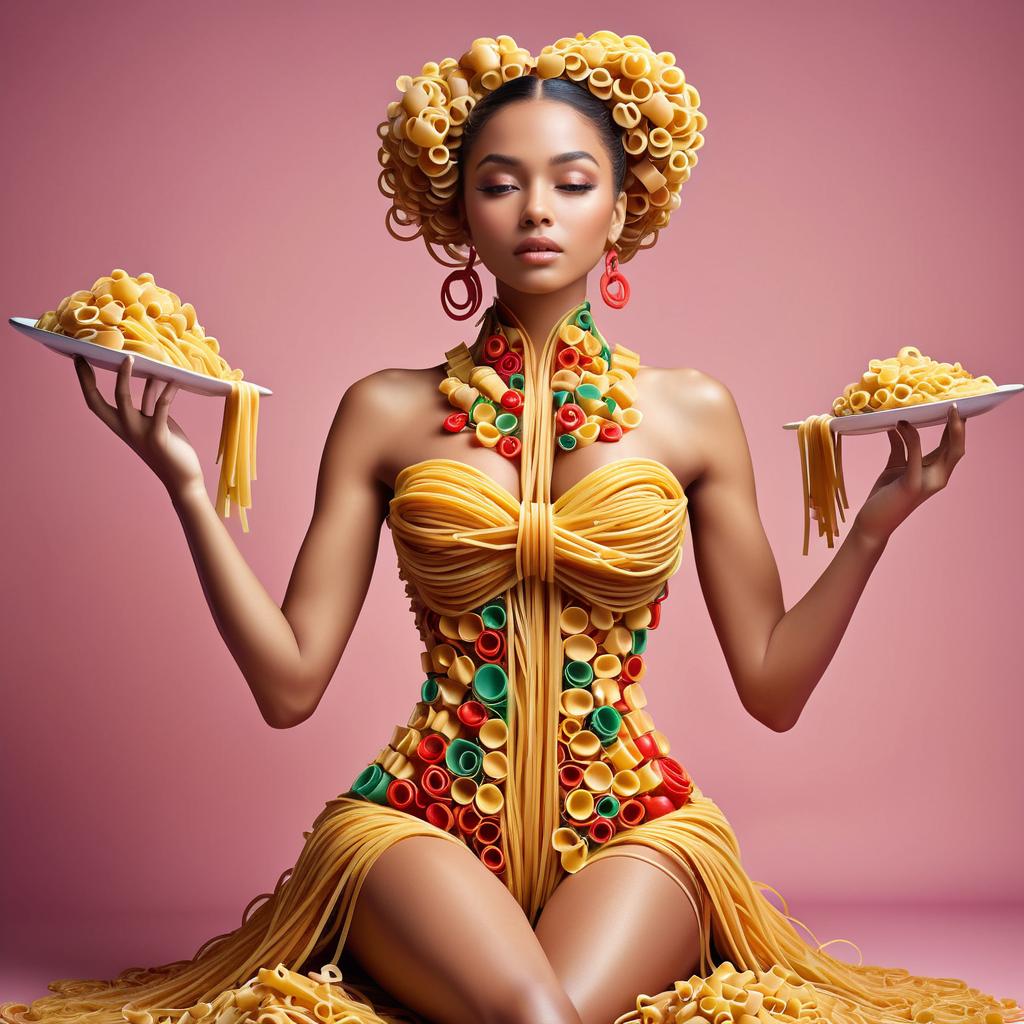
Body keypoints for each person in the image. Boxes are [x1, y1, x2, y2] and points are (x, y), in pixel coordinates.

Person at [3, 30, 1020, 1024]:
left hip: (634, 822)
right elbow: (289, 684)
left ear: (621, 208)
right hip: (418, 816)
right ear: (458, 212)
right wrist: (185, 482)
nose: (537, 209)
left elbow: (772, 686)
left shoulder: (692, 411)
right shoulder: (382, 410)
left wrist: (876, 526)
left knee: (557, 1015)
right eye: (499, 182)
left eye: (572, 182)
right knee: (526, 1013)